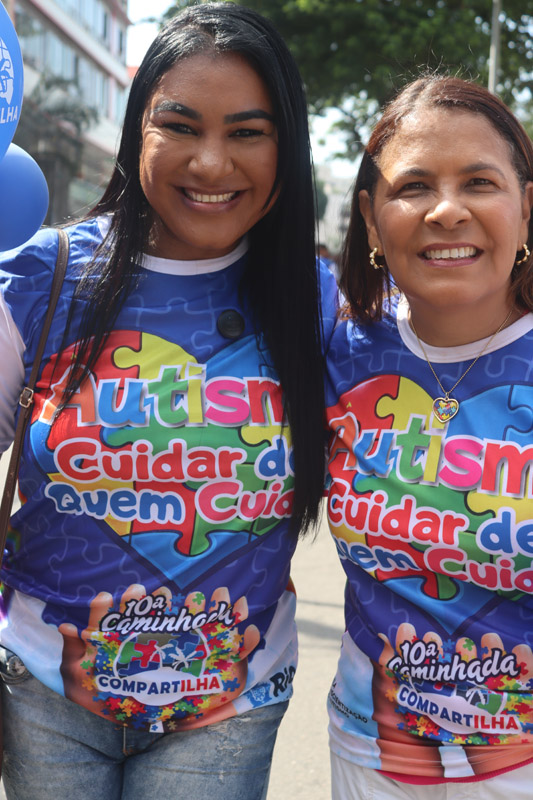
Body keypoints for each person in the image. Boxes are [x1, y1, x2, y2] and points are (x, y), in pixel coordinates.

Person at [0, 5, 336, 798]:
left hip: (229, 702)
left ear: (286, 145)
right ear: (136, 131)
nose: (211, 162)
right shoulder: (43, 281)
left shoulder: (324, 309)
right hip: (44, 694)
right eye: (179, 126)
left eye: (247, 132)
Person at [325, 74, 533, 799]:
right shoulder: (339, 349)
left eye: (478, 181)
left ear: (526, 207)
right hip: (371, 751)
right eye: (412, 187)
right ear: (372, 220)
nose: (447, 211)